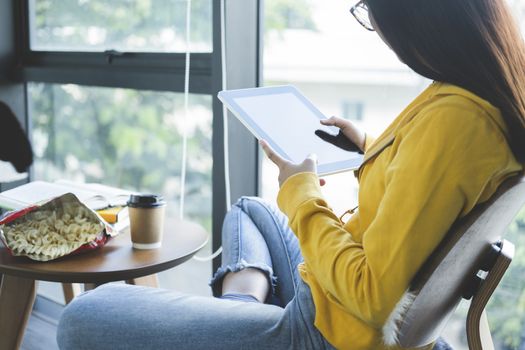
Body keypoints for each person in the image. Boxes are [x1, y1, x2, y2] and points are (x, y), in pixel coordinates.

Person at [57, 0, 525, 349]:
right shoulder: (485, 101)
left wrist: (300, 190)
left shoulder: (453, 123)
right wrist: (372, 146)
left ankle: (238, 323)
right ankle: (237, 319)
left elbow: (372, 296)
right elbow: (434, 189)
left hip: (323, 331)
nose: (377, 26)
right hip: (331, 293)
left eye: (369, 10)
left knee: (81, 315)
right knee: (252, 210)